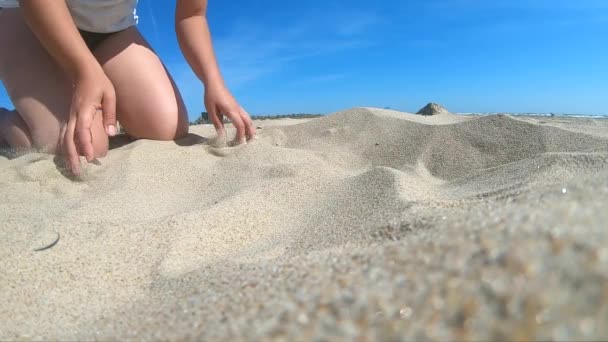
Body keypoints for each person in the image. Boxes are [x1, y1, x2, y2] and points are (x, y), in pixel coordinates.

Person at [0, 0, 255, 175]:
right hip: (28, 16)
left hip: (110, 31)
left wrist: (213, 82)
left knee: (166, 126)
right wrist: (85, 70)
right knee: (79, 148)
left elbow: (192, 15)